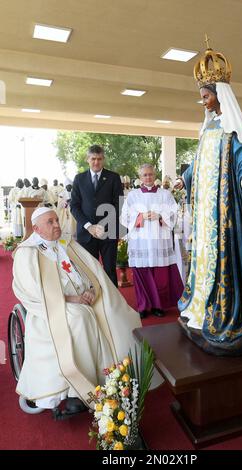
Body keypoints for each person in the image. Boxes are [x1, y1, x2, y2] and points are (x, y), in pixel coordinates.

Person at [174, 40, 242, 356]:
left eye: (206, 95)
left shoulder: (231, 131)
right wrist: (185, 177)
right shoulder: (207, 131)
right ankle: (202, 308)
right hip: (207, 216)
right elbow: (198, 164)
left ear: (220, 95)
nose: (202, 101)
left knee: (224, 261)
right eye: (202, 96)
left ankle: (230, 310)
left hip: (225, 213)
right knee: (204, 259)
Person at [12, 207, 143, 418]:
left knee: (114, 313)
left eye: (57, 220)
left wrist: (92, 290)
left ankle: (110, 376)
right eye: (50, 222)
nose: (57, 225)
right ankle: (77, 391)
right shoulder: (28, 252)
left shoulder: (67, 242)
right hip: (53, 307)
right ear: (36, 228)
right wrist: (71, 300)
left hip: (83, 299)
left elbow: (93, 271)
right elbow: (31, 291)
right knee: (81, 318)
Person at [121, 163, 184, 319]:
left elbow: (175, 214)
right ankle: (143, 306)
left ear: (155, 176)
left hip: (159, 241)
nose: (148, 177)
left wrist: (161, 216)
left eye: (150, 174)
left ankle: (157, 305)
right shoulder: (133, 196)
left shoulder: (165, 195)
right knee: (141, 274)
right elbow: (124, 217)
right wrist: (140, 217)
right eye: (144, 175)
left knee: (159, 276)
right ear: (140, 177)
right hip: (140, 241)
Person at [71, 145, 123, 287]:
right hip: (86, 234)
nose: (96, 162)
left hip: (108, 232)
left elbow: (119, 205)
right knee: (89, 271)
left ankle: (113, 306)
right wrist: (89, 226)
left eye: (99, 159)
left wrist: (102, 226)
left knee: (109, 270)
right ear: (87, 159)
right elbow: (74, 206)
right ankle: (94, 305)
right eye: (93, 159)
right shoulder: (79, 179)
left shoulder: (113, 178)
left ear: (103, 160)